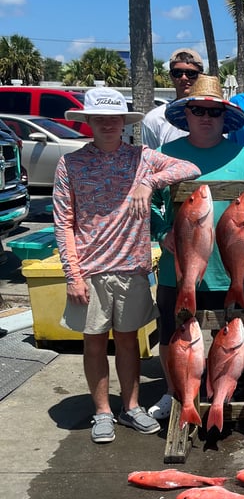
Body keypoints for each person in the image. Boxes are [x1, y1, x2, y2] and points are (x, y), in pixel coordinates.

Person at [53, 88, 200, 443]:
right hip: (89, 271)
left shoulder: (143, 158)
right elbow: (62, 222)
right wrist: (73, 275)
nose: (107, 124)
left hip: (133, 269)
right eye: (100, 118)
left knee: (129, 342)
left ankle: (131, 406)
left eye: (114, 118)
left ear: (124, 123)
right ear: (87, 121)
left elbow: (190, 168)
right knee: (93, 343)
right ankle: (102, 411)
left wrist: (148, 182)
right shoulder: (70, 163)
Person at [148, 75, 244, 421]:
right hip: (180, 265)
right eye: (198, 109)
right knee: (172, 332)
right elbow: (152, 204)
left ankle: (221, 392)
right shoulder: (164, 155)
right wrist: (161, 234)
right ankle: (173, 392)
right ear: (185, 114)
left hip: (229, 268)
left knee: (227, 334)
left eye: (214, 112)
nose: (206, 117)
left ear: (225, 118)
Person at [141, 48, 204, 148]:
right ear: (171, 76)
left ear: (201, 76)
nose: (184, 78)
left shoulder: (217, 115)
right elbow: (150, 160)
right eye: (177, 73)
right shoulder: (154, 119)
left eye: (191, 73)